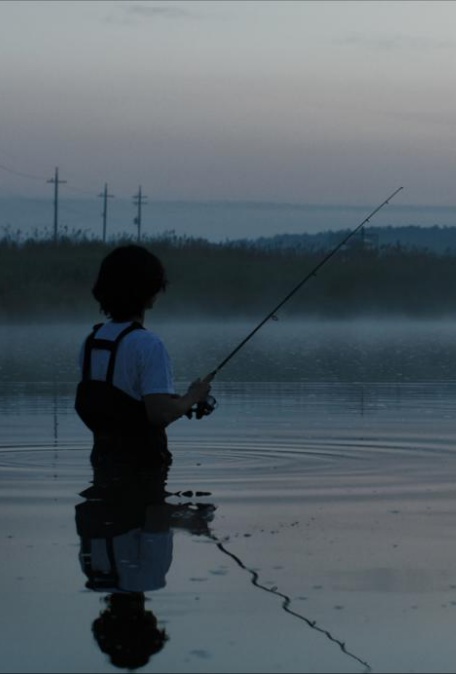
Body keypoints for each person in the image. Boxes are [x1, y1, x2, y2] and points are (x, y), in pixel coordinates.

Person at [75, 244, 212, 468]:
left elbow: (121, 402)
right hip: (144, 467)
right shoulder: (149, 345)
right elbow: (160, 414)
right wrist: (193, 397)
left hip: (101, 462)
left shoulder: (92, 342)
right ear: (150, 292)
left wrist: (179, 400)